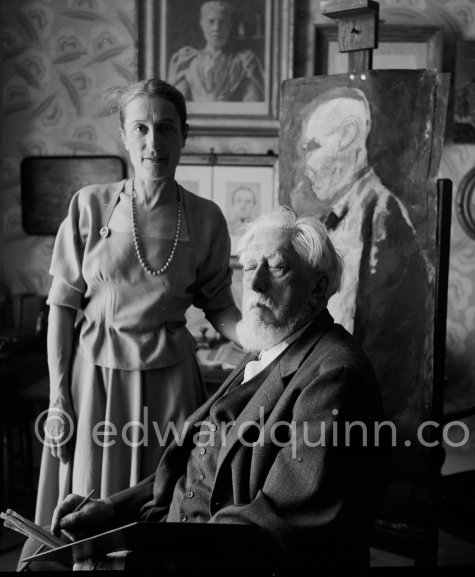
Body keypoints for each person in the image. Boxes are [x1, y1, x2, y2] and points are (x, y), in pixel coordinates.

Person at [20, 208, 388, 573]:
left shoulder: (336, 376)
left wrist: (130, 562)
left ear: (318, 289)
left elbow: (275, 529)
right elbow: (193, 465)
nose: (255, 284)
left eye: (277, 268)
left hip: (206, 556)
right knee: (38, 545)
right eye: (248, 268)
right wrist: (113, 509)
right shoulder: (271, 346)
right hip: (170, 531)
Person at [34, 78, 241, 528]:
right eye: (142, 128)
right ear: (124, 135)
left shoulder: (207, 217)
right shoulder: (88, 206)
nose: (154, 142)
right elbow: (62, 306)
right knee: (88, 507)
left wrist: (262, 336)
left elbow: (219, 304)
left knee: (165, 501)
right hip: (95, 383)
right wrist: (58, 396)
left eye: (166, 128)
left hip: (170, 385)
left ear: (184, 135)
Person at [298, 85, 429, 424]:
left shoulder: (384, 216)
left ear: (348, 135)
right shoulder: (335, 217)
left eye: (312, 147)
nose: (305, 164)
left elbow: (390, 345)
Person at [167, 0, 264, 102]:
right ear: (202, 24)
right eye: (211, 22)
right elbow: (177, 106)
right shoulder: (187, 61)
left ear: (230, 26)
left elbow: (252, 104)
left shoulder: (244, 62)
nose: (216, 28)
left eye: (222, 22)